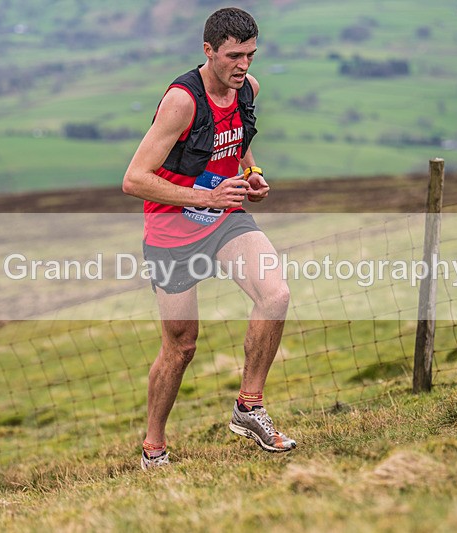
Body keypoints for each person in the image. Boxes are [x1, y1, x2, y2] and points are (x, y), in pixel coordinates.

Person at [122, 7, 296, 470]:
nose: (243, 66)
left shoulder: (247, 90)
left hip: (223, 220)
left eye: (251, 55)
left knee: (275, 295)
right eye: (233, 56)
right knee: (181, 346)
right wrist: (206, 196)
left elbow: (238, 142)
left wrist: (251, 174)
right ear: (208, 51)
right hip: (170, 230)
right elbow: (134, 179)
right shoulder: (182, 101)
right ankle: (154, 447)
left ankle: (248, 405)